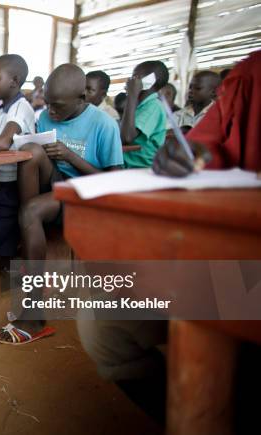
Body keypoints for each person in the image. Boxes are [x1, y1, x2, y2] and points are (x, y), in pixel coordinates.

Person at [79, 50, 261, 425]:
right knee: (101, 317)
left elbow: (127, 137)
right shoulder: (252, 74)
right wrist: (188, 154)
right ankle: (186, 418)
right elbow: (207, 147)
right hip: (232, 254)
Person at [0, 64, 123, 345]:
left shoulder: (104, 124)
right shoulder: (46, 117)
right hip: (56, 190)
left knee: (30, 211)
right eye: (47, 103)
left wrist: (71, 157)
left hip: (89, 197)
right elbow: (39, 157)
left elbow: (112, 186)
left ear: (81, 98)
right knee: (32, 150)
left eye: (58, 106)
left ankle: (33, 312)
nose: (50, 112)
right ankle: (30, 235)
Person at [0, 54, 35, 267]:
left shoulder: (21, 107)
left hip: (12, 182)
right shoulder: (3, 109)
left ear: (14, 81)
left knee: (5, 225)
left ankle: (6, 268)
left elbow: (3, 142)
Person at [120, 60, 168, 168]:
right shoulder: (140, 106)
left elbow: (126, 137)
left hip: (140, 169)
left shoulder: (153, 106)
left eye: (135, 76)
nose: (130, 80)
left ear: (150, 81)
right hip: (126, 165)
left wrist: (132, 95)